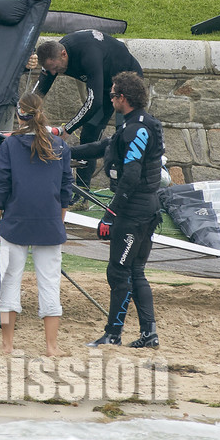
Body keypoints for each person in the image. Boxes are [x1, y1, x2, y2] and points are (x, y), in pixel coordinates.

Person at [75, 71, 164, 349]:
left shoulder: (137, 129)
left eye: (113, 95)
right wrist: (65, 151)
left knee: (119, 272)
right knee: (136, 272)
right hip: (146, 210)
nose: (110, 99)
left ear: (122, 98)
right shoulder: (137, 124)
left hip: (134, 214)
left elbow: (131, 176)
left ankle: (113, 334)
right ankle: (149, 334)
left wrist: (110, 214)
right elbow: (105, 146)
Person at [0, 92, 74, 357]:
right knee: (49, 284)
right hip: (49, 221)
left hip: (15, 220)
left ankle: (8, 345)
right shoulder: (59, 145)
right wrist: (58, 221)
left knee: (10, 281)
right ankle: (51, 347)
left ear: (19, 115)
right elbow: (65, 190)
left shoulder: (9, 145)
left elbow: (1, 187)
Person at [34, 30, 143, 187]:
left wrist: (67, 129)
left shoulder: (88, 55)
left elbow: (94, 102)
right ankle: (82, 195)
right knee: (88, 135)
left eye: (54, 68)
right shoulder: (53, 56)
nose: (53, 73)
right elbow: (37, 94)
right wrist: (25, 112)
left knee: (124, 137)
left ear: (63, 54)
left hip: (126, 87)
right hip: (104, 86)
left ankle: (122, 193)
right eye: (49, 69)